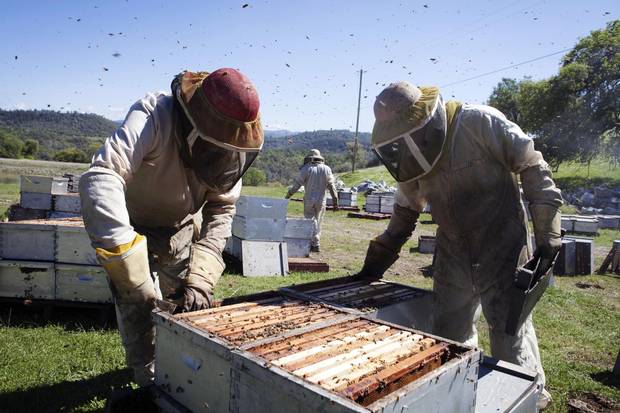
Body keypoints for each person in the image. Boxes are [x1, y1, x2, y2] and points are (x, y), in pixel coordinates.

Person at [355, 82, 562, 408]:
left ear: (426, 119)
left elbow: (532, 164)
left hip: (503, 245)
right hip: (452, 250)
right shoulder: (409, 158)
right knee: (449, 334)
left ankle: (528, 398)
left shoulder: (479, 122)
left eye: (414, 133)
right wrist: (371, 269)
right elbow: (403, 217)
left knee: (508, 333)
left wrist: (548, 232)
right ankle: (459, 398)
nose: (413, 144)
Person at [79, 68, 263, 387]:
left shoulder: (231, 146)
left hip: (180, 229)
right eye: (215, 148)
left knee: (183, 305)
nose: (222, 158)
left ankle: (181, 376)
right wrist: (127, 261)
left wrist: (202, 276)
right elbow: (103, 176)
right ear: (192, 124)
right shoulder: (153, 114)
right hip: (132, 226)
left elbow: (222, 207)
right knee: (137, 305)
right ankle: (148, 380)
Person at [285, 149, 338, 252]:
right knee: (319, 221)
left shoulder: (306, 169)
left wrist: (288, 195)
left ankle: (313, 242)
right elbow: (332, 186)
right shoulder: (327, 169)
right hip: (321, 200)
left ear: (309, 158)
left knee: (310, 221)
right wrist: (335, 201)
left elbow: (297, 185)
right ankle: (316, 243)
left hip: (309, 199)